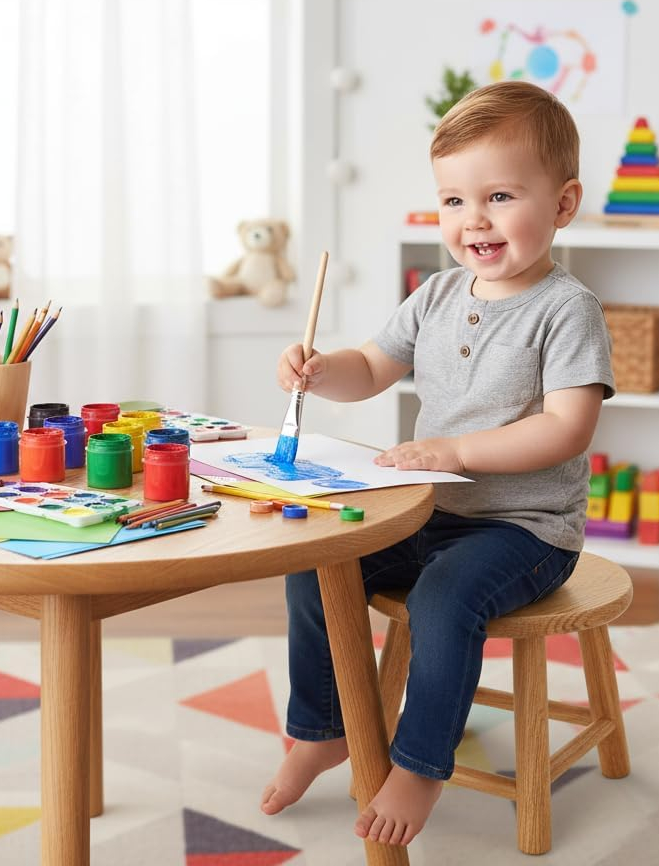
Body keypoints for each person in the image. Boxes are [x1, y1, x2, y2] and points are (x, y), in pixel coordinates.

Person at [260, 80, 615, 847]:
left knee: (444, 599)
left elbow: (567, 428)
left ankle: (420, 764)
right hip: (427, 512)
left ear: (562, 204)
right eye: (454, 200)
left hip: (523, 530)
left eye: (498, 196)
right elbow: (370, 367)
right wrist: (320, 370)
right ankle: (323, 728)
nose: (473, 219)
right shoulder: (436, 294)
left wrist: (454, 451)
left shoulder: (568, 309)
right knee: (318, 564)